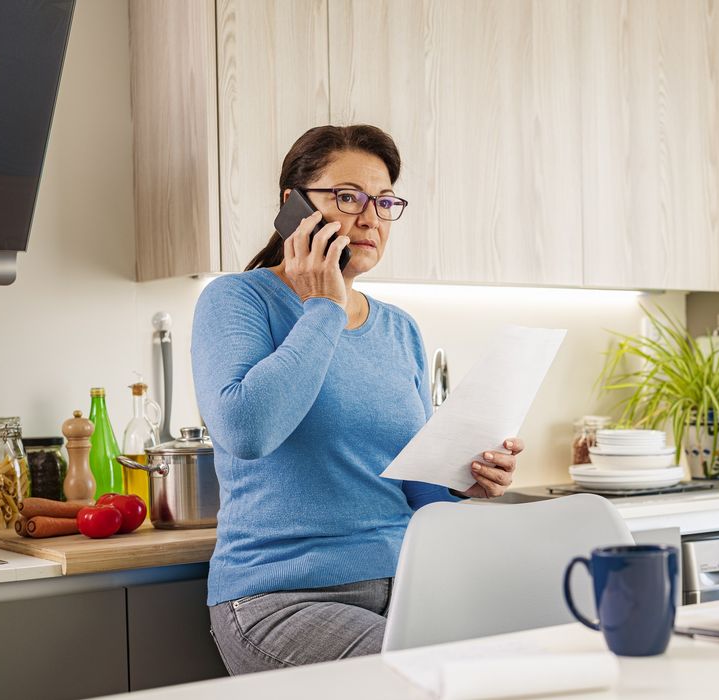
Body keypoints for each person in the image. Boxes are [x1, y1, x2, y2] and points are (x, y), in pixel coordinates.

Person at [192, 124, 521, 675]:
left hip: (409, 587)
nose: (370, 217)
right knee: (445, 675)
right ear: (294, 206)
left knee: (530, 662)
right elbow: (247, 432)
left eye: (384, 200)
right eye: (348, 197)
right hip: (281, 600)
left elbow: (415, 490)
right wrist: (325, 307)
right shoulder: (236, 299)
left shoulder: (400, 330)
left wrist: (467, 481)